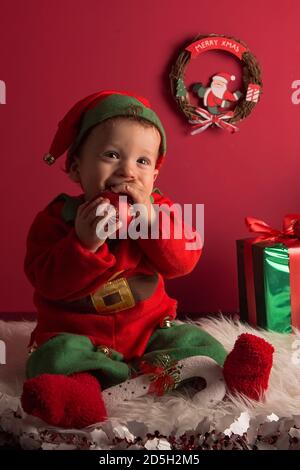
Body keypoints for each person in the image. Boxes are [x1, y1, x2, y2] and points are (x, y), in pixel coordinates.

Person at [21, 90, 274, 429]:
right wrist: (83, 242)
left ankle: (237, 377)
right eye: (111, 155)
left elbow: (182, 262)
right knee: (54, 355)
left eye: (142, 162)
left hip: (147, 329)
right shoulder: (57, 219)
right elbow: (47, 281)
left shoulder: (158, 211)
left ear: (154, 176)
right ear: (76, 168)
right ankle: (78, 395)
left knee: (194, 340)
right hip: (78, 333)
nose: (127, 171)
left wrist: (152, 222)